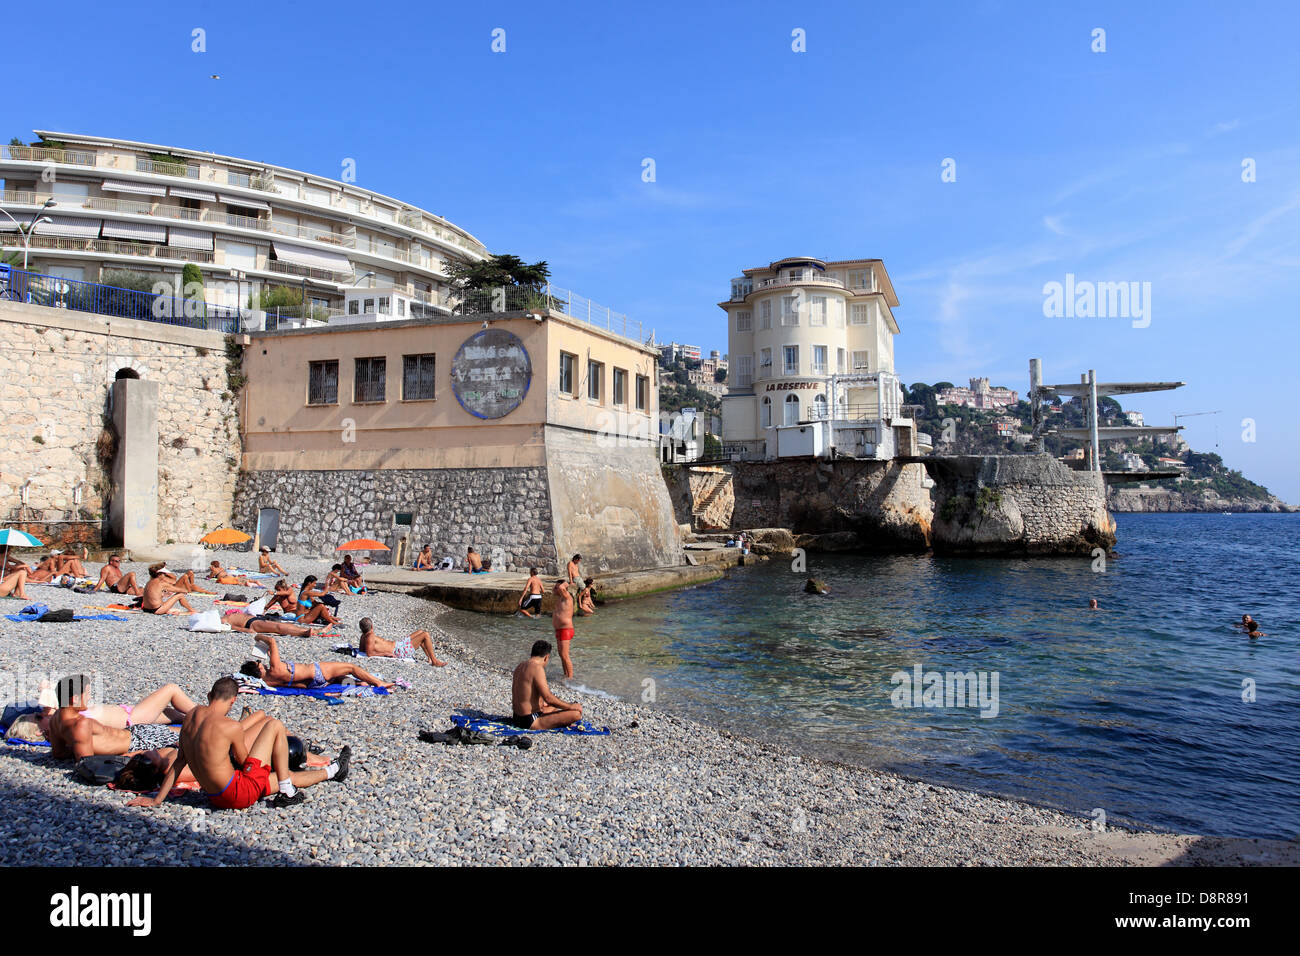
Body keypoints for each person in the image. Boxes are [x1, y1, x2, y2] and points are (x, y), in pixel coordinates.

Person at [127, 677, 350, 811]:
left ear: (209, 695)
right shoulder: (229, 726)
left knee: (281, 777)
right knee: (274, 725)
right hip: (237, 793)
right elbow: (247, 764)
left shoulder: (190, 718)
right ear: (233, 701)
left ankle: (334, 770)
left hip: (215, 797)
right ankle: (288, 792)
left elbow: (179, 764)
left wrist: (157, 800)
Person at [45, 675, 187, 758]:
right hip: (138, 742)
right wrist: (136, 754)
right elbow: (87, 762)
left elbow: (59, 753)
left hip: (134, 733)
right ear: (75, 699)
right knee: (191, 734)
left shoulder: (56, 719)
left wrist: (79, 745)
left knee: (185, 729)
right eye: (87, 693)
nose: (89, 697)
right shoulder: (81, 724)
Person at [240, 634, 394, 689]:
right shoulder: (274, 668)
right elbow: (272, 641)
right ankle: (378, 682)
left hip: (311, 685)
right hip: (317, 672)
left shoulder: (269, 680)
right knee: (351, 667)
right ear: (258, 669)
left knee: (338, 678)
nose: (263, 663)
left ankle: (361, 684)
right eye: (260, 664)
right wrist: (259, 637)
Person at [510, 640, 584, 730]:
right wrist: (570, 706)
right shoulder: (537, 668)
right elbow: (548, 698)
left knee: (552, 708)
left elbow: (525, 691)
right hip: (529, 721)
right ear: (546, 657)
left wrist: (541, 702)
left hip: (517, 717)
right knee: (576, 714)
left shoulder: (520, 666)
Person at [358, 617, 446, 667]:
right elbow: (369, 654)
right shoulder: (370, 637)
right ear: (372, 626)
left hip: (398, 645)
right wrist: (385, 654)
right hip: (399, 651)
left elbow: (361, 650)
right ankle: (434, 661)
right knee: (425, 635)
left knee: (420, 632)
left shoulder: (364, 636)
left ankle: (429, 657)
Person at [222, 610, 316, 637]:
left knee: (282, 625)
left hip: (255, 619)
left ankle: (315, 630)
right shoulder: (222, 621)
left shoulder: (224, 617)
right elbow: (232, 627)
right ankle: (302, 633)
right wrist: (246, 630)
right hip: (251, 624)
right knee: (278, 627)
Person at [552, 579, 575, 679]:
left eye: (556, 587)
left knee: (565, 655)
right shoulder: (560, 599)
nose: (554, 589)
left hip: (565, 629)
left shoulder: (567, 597)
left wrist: (567, 582)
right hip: (559, 630)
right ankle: (565, 674)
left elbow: (562, 587)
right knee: (561, 655)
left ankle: (570, 678)